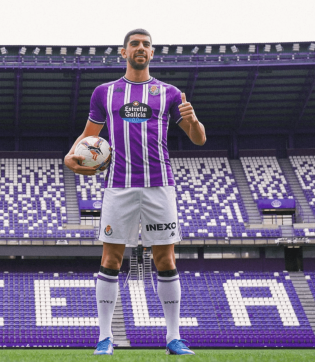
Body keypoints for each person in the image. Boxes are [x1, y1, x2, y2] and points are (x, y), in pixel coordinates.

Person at [64, 28, 206, 356]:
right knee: (111, 258)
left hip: (160, 185)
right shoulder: (104, 93)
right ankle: (104, 338)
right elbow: (87, 137)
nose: (140, 48)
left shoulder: (170, 94)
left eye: (145, 45)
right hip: (119, 187)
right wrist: (69, 157)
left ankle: (174, 337)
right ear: (124, 52)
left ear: (152, 53)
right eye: (134, 44)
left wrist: (193, 119)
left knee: (164, 257)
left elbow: (198, 138)